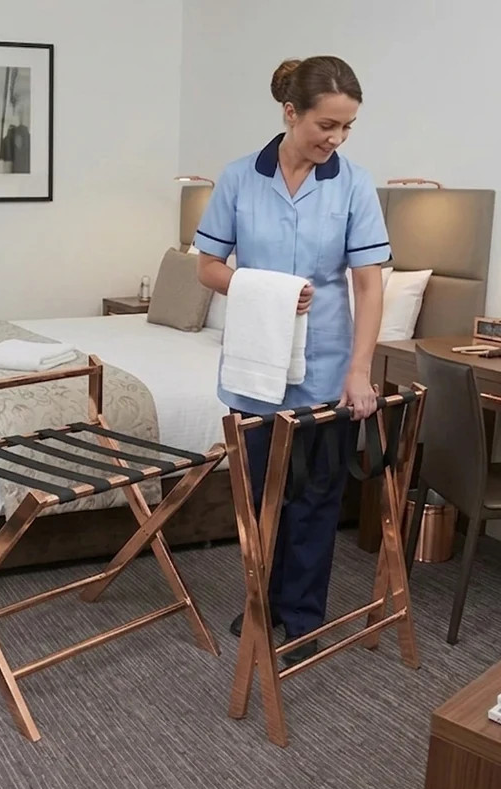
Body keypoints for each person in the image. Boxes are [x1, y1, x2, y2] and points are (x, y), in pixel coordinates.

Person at [194, 56, 390, 667]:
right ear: (290, 112)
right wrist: (263, 288)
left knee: (315, 503)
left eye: (347, 127)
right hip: (255, 373)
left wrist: (360, 371)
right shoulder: (238, 177)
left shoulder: (354, 183)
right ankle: (264, 604)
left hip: (327, 372)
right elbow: (208, 268)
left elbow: (369, 284)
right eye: (326, 125)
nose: (336, 139)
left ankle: (303, 619)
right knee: (259, 502)